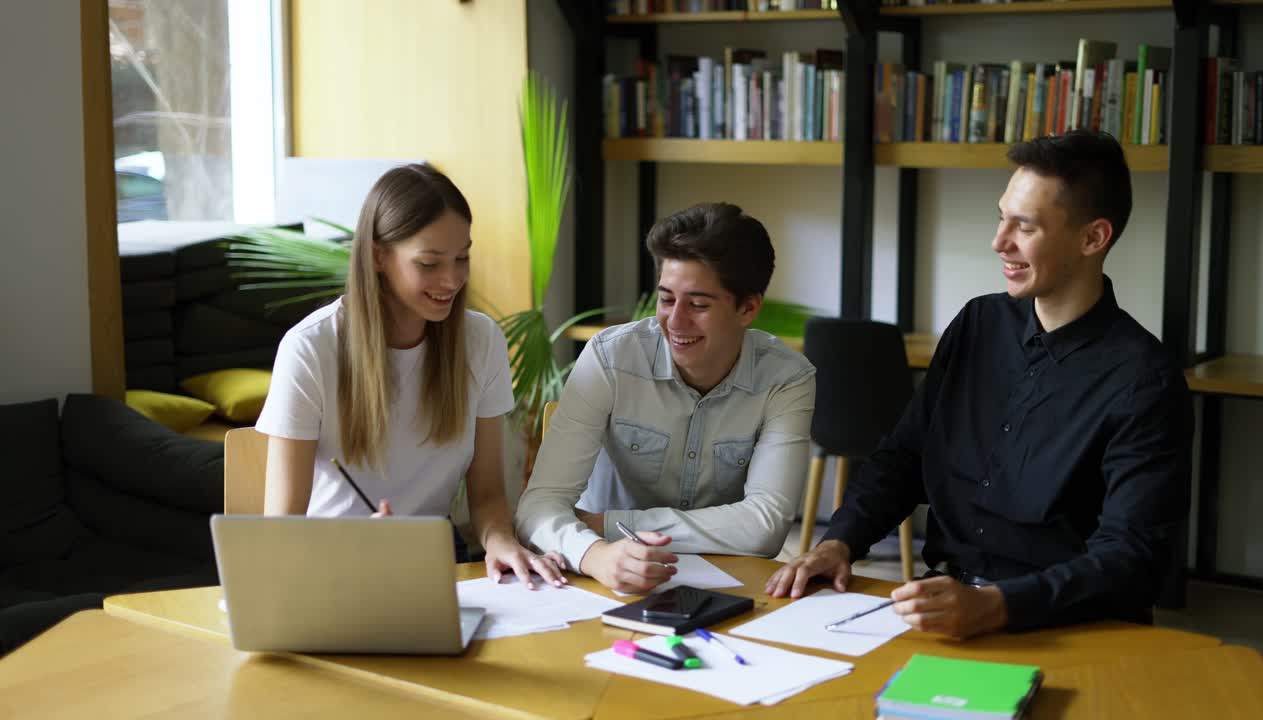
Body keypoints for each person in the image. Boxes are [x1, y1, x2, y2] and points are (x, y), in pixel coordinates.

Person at [767, 130, 1193, 638]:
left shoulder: (1145, 380)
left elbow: (1132, 558)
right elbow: (903, 457)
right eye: (1001, 217)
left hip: (1063, 625)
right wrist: (838, 543)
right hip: (941, 607)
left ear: (1092, 238)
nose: (999, 242)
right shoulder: (978, 323)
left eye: (1025, 226)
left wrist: (996, 605)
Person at [256, 163, 565, 589]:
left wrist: (500, 541)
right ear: (378, 256)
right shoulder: (310, 348)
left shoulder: (480, 340)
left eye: (462, 258)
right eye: (429, 263)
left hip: (433, 562)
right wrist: (354, 544)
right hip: (327, 568)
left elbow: (489, 496)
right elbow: (281, 526)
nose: (452, 279)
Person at [515, 202, 817, 593]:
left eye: (698, 304)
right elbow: (538, 506)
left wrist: (603, 523)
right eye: (667, 299)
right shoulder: (611, 359)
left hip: (724, 585)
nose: (675, 322)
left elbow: (765, 527)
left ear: (748, 308)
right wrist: (595, 553)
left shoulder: (786, 378)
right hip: (604, 576)